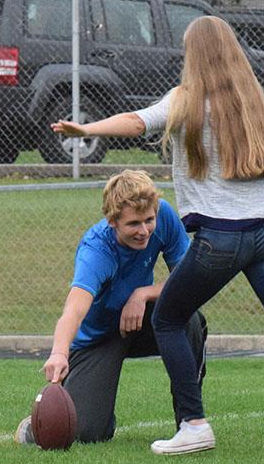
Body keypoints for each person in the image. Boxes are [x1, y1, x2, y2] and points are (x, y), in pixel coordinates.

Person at [51, 15, 264, 460]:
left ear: (193, 56)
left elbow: (138, 123)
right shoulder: (253, 103)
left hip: (222, 239)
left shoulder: (186, 101)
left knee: (168, 319)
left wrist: (86, 130)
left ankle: (193, 424)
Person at [15, 169, 207, 445]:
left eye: (149, 220)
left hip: (139, 323)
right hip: (98, 339)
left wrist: (143, 294)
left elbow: (190, 279)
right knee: (87, 433)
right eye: (133, 224)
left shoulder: (164, 215)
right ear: (112, 221)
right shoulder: (96, 250)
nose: (144, 231)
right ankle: (40, 425)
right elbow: (74, 310)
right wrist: (59, 353)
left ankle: (190, 423)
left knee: (187, 318)